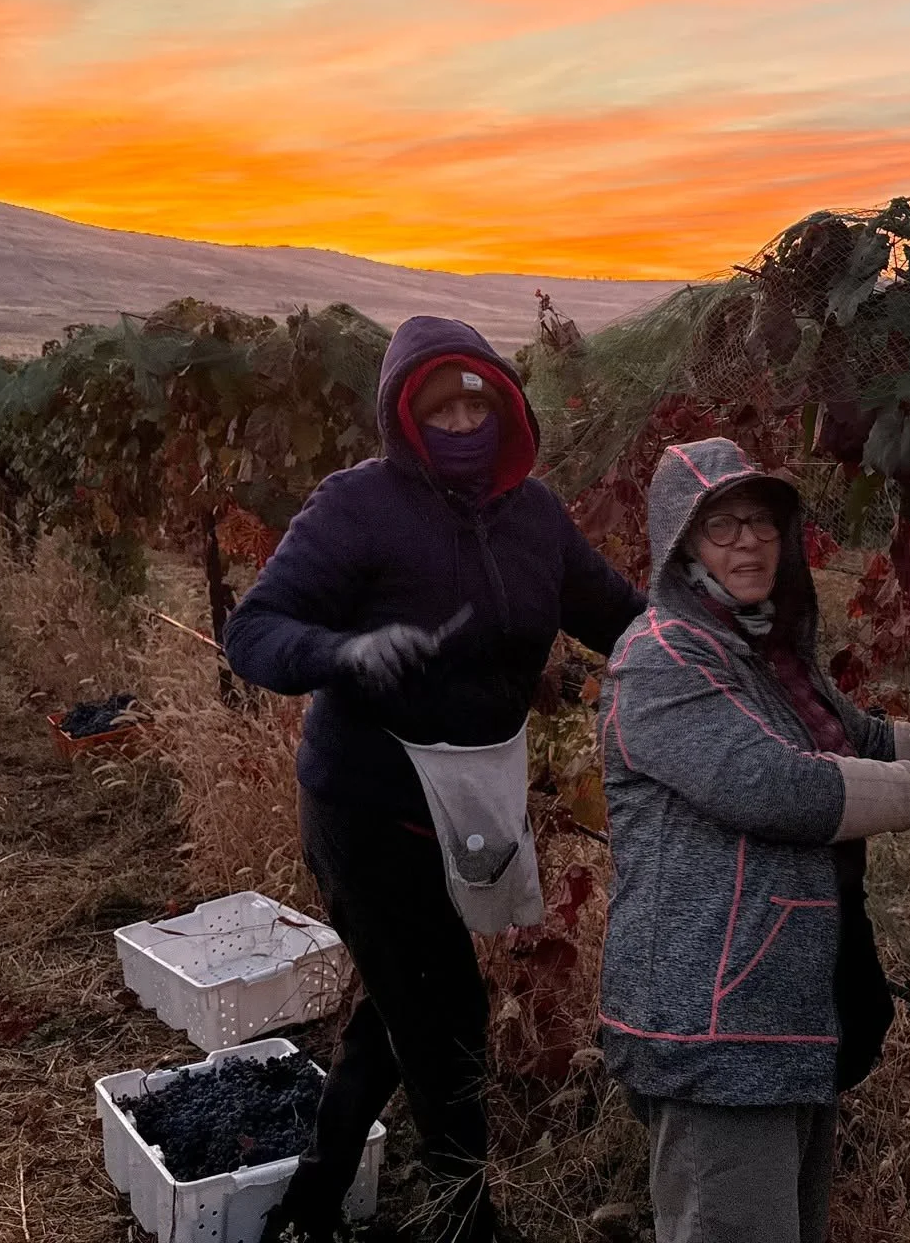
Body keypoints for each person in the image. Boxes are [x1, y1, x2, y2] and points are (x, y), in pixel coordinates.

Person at [599, 437, 910, 1243]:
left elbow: (863, 741)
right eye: (721, 525)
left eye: (761, 522)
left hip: (783, 1010)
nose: (749, 542)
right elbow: (780, 787)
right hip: (712, 1025)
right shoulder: (660, 661)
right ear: (680, 543)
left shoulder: (764, 655)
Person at [224, 315, 644, 1243]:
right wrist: (346, 650)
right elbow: (254, 631)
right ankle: (464, 1217)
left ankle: (313, 1198)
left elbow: (619, 616)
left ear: (503, 405)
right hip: (366, 807)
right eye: (440, 405)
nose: (462, 419)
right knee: (448, 1017)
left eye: (476, 400)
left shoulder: (535, 517)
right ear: (404, 417)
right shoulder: (357, 507)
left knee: (406, 996)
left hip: (471, 807)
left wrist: (714, 655)